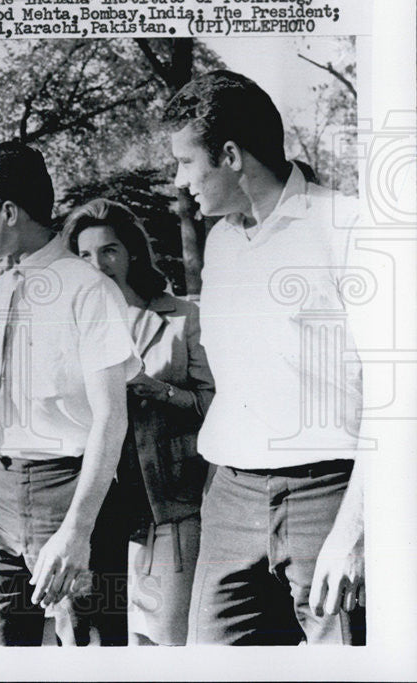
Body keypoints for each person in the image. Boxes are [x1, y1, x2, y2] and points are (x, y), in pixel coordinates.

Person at [164, 70, 366, 645]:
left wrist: (355, 529)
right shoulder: (222, 242)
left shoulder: (348, 226)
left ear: (229, 155)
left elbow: (398, 394)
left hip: (329, 495)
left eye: (185, 161)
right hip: (229, 500)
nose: (179, 181)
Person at [0, 141, 140, 646]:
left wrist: (78, 530)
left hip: (70, 492)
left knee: (90, 655)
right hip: (0, 494)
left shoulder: (90, 289)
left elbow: (112, 419)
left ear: (9, 212)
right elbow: (0, 415)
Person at [63, 198, 215, 645]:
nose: (97, 264)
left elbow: (216, 405)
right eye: (85, 255)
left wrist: (161, 391)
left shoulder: (182, 318)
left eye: (108, 250)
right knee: (91, 638)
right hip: (94, 506)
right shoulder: (70, 324)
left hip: (166, 503)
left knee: (164, 638)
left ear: (131, 253)